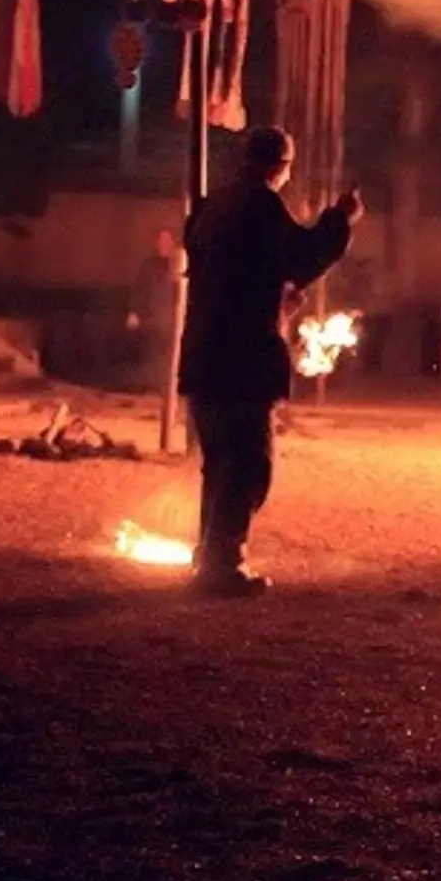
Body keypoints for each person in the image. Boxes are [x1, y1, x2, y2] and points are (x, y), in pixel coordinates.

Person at [177, 126, 361, 596]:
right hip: (240, 357)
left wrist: (273, 302)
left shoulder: (212, 206)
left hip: (204, 352)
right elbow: (303, 255)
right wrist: (340, 219)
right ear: (280, 167)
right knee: (247, 465)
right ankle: (222, 566)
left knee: (219, 463)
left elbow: (229, 276)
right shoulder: (259, 205)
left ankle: (209, 556)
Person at [126, 226, 181, 390]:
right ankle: (150, 386)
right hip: (152, 320)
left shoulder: (177, 266)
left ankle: (168, 388)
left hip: (172, 321)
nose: (164, 244)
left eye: (167, 241)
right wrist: (134, 312)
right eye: (161, 241)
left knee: (169, 357)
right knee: (151, 354)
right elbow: (140, 290)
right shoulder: (149, 266)